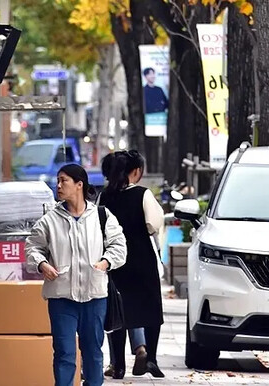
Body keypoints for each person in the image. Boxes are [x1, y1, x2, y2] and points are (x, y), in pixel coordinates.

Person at [26, 163, 127, 386]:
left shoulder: (101, 216)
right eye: (58, 181)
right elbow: (32, 247)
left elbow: (119, 245)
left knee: (93, 352)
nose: (58, 185)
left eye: (64, 180)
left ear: (79, 185)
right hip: (61, 298)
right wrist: (42, 264)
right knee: (64, 353)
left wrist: (106, 261)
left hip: (95, 297)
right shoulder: (50, 220)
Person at [99, 150, 165, 379]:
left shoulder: (104, 197)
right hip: (141, 259)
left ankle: (118, 365)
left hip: (115, 261)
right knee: (150, 310)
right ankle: (152, 359)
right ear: (135, 172)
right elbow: (153, 224)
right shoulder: (143, 194)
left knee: (117, 312)